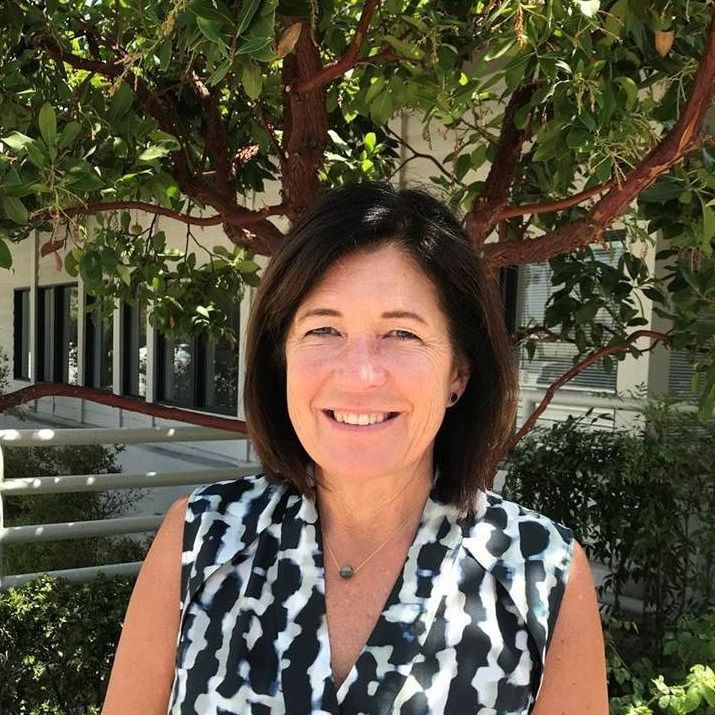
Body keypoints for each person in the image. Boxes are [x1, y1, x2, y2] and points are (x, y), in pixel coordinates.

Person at [103, 182, 607, 714]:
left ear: (459, 370)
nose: (360, 374)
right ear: (283, 359)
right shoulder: (201, 543)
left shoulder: (539, 574)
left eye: (402, 334)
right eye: (324, 330)